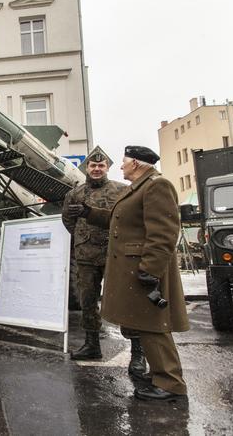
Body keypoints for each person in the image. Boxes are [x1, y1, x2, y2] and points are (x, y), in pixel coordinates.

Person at [68, 145, 189, 401]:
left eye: (123, 162)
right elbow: (117, 219)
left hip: (143, 269)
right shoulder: (140, 187)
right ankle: (161, 378)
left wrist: (150, 269)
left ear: (135, 163)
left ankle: (169, 383)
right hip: (130, 267)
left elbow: (164, 233)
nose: (120, 166)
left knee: (154, 325)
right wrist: (89, 213)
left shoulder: (156, 186)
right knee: (146, 324)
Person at [61, 147, 147, 375]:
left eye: (101, 166)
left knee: (124, 300)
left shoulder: (122, 190)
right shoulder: (75, 194)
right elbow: (67, 220)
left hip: (115, 255)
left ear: (107, 168)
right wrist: (82, 237)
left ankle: (137, 352)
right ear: (86, 168)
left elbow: (130, 220)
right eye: (92, 166)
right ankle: (92, 345)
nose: (96, 169)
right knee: (87, 300)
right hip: (86, 256)